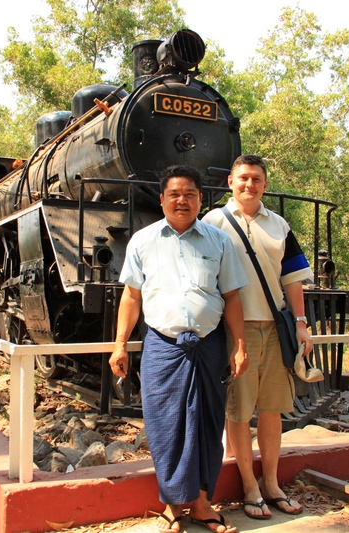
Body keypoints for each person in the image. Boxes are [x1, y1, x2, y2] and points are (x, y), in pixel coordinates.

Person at [109, 165, 249, 533]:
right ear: (162, 199)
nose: (182, 200)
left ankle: (203, 503)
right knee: (164, 425)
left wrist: (240, 346)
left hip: (210, 345)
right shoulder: (143, 240)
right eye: (174, 194)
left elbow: (233, 297)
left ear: (201, 199)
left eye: (189, 194)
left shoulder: (219, 242)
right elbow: (131, 297)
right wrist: (120, 344)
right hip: (163, 347)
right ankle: (172, 505)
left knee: (208, 423)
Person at [202, 154, 314, 519]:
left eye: (257, 179)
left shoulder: (279, 225)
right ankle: (249, 486)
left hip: (274, 327)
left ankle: (271, 482)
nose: (250, 185)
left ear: (265, 185)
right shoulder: (213, 220)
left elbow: (293, 278)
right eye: (243, 178)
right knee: (239, 409)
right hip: (235, 329)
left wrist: (300, 322)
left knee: (272, 408)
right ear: (231, 182)